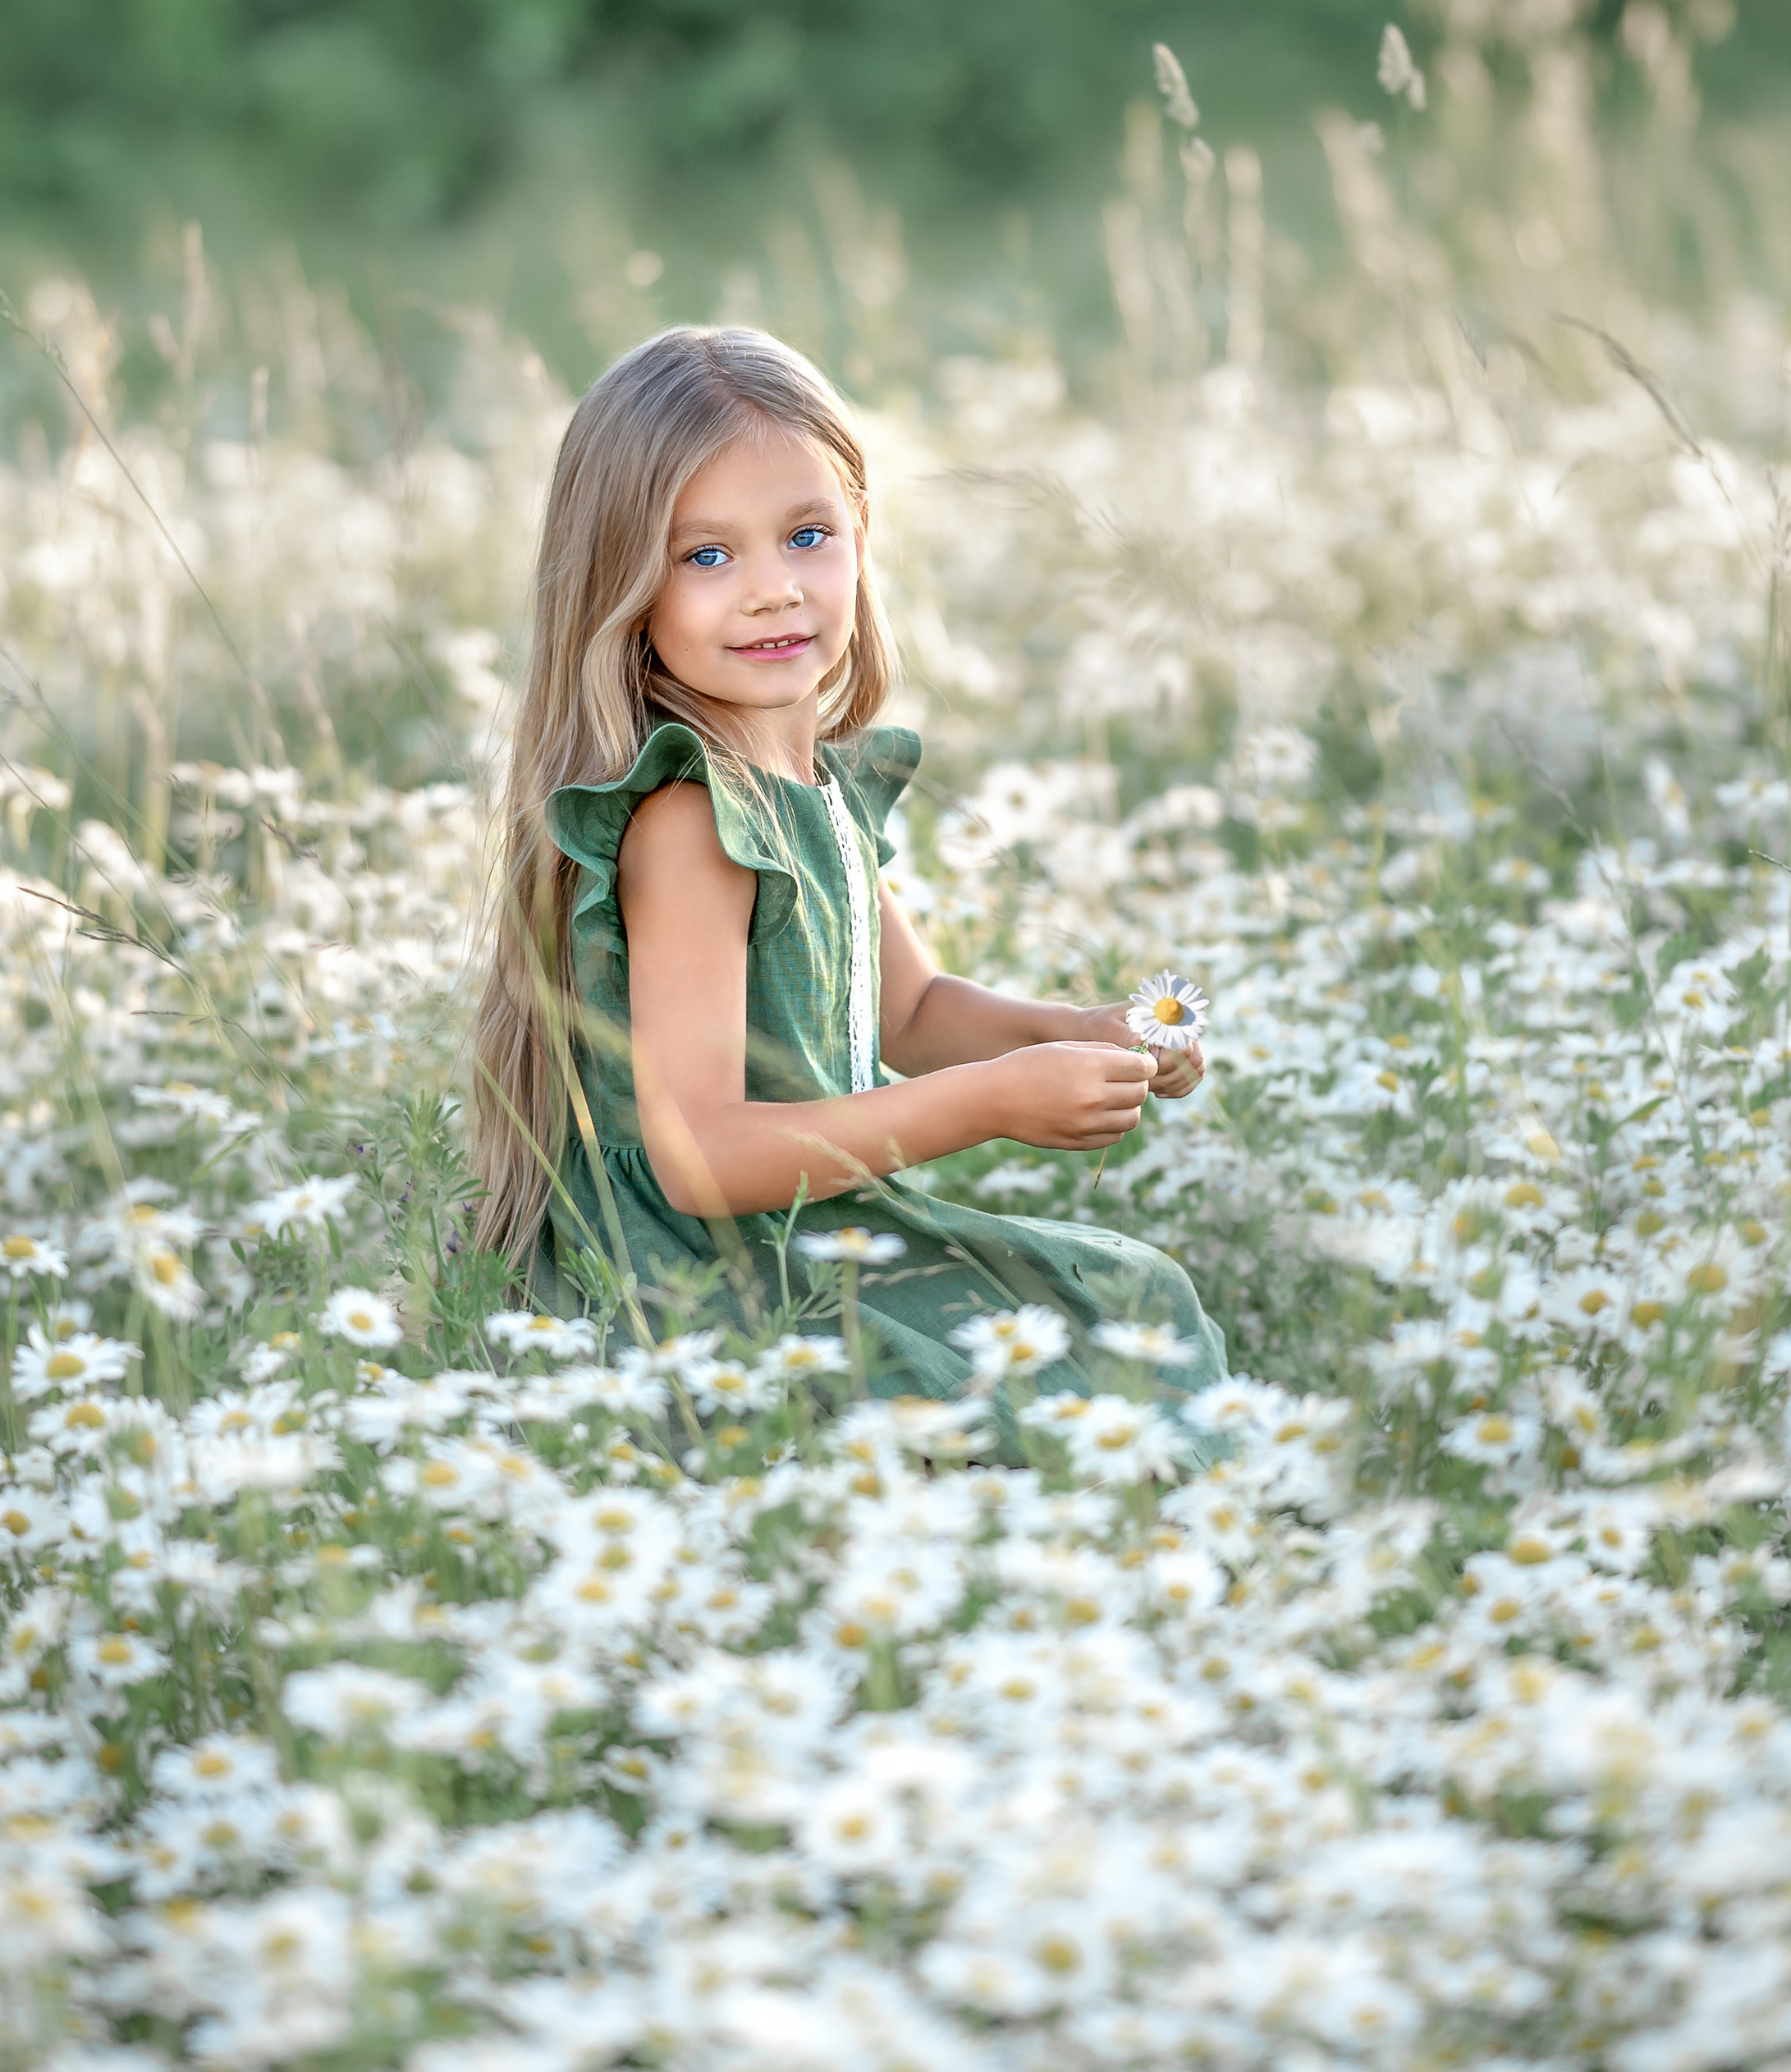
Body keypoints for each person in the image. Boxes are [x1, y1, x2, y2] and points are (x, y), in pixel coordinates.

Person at [470, 324, 1227, 1400]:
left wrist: (1085, 1034)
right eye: (707, 556)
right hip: (709, 1291)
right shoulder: (690, 821)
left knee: (1129, 1303)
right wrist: (997, 1101)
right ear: (624, 585)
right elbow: (701, 1157)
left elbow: (909, 1012)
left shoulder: (813, 789)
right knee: (1083, 1346)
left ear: (862, 533)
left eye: (809, 536)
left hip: (812, 1238)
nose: (774, 589)